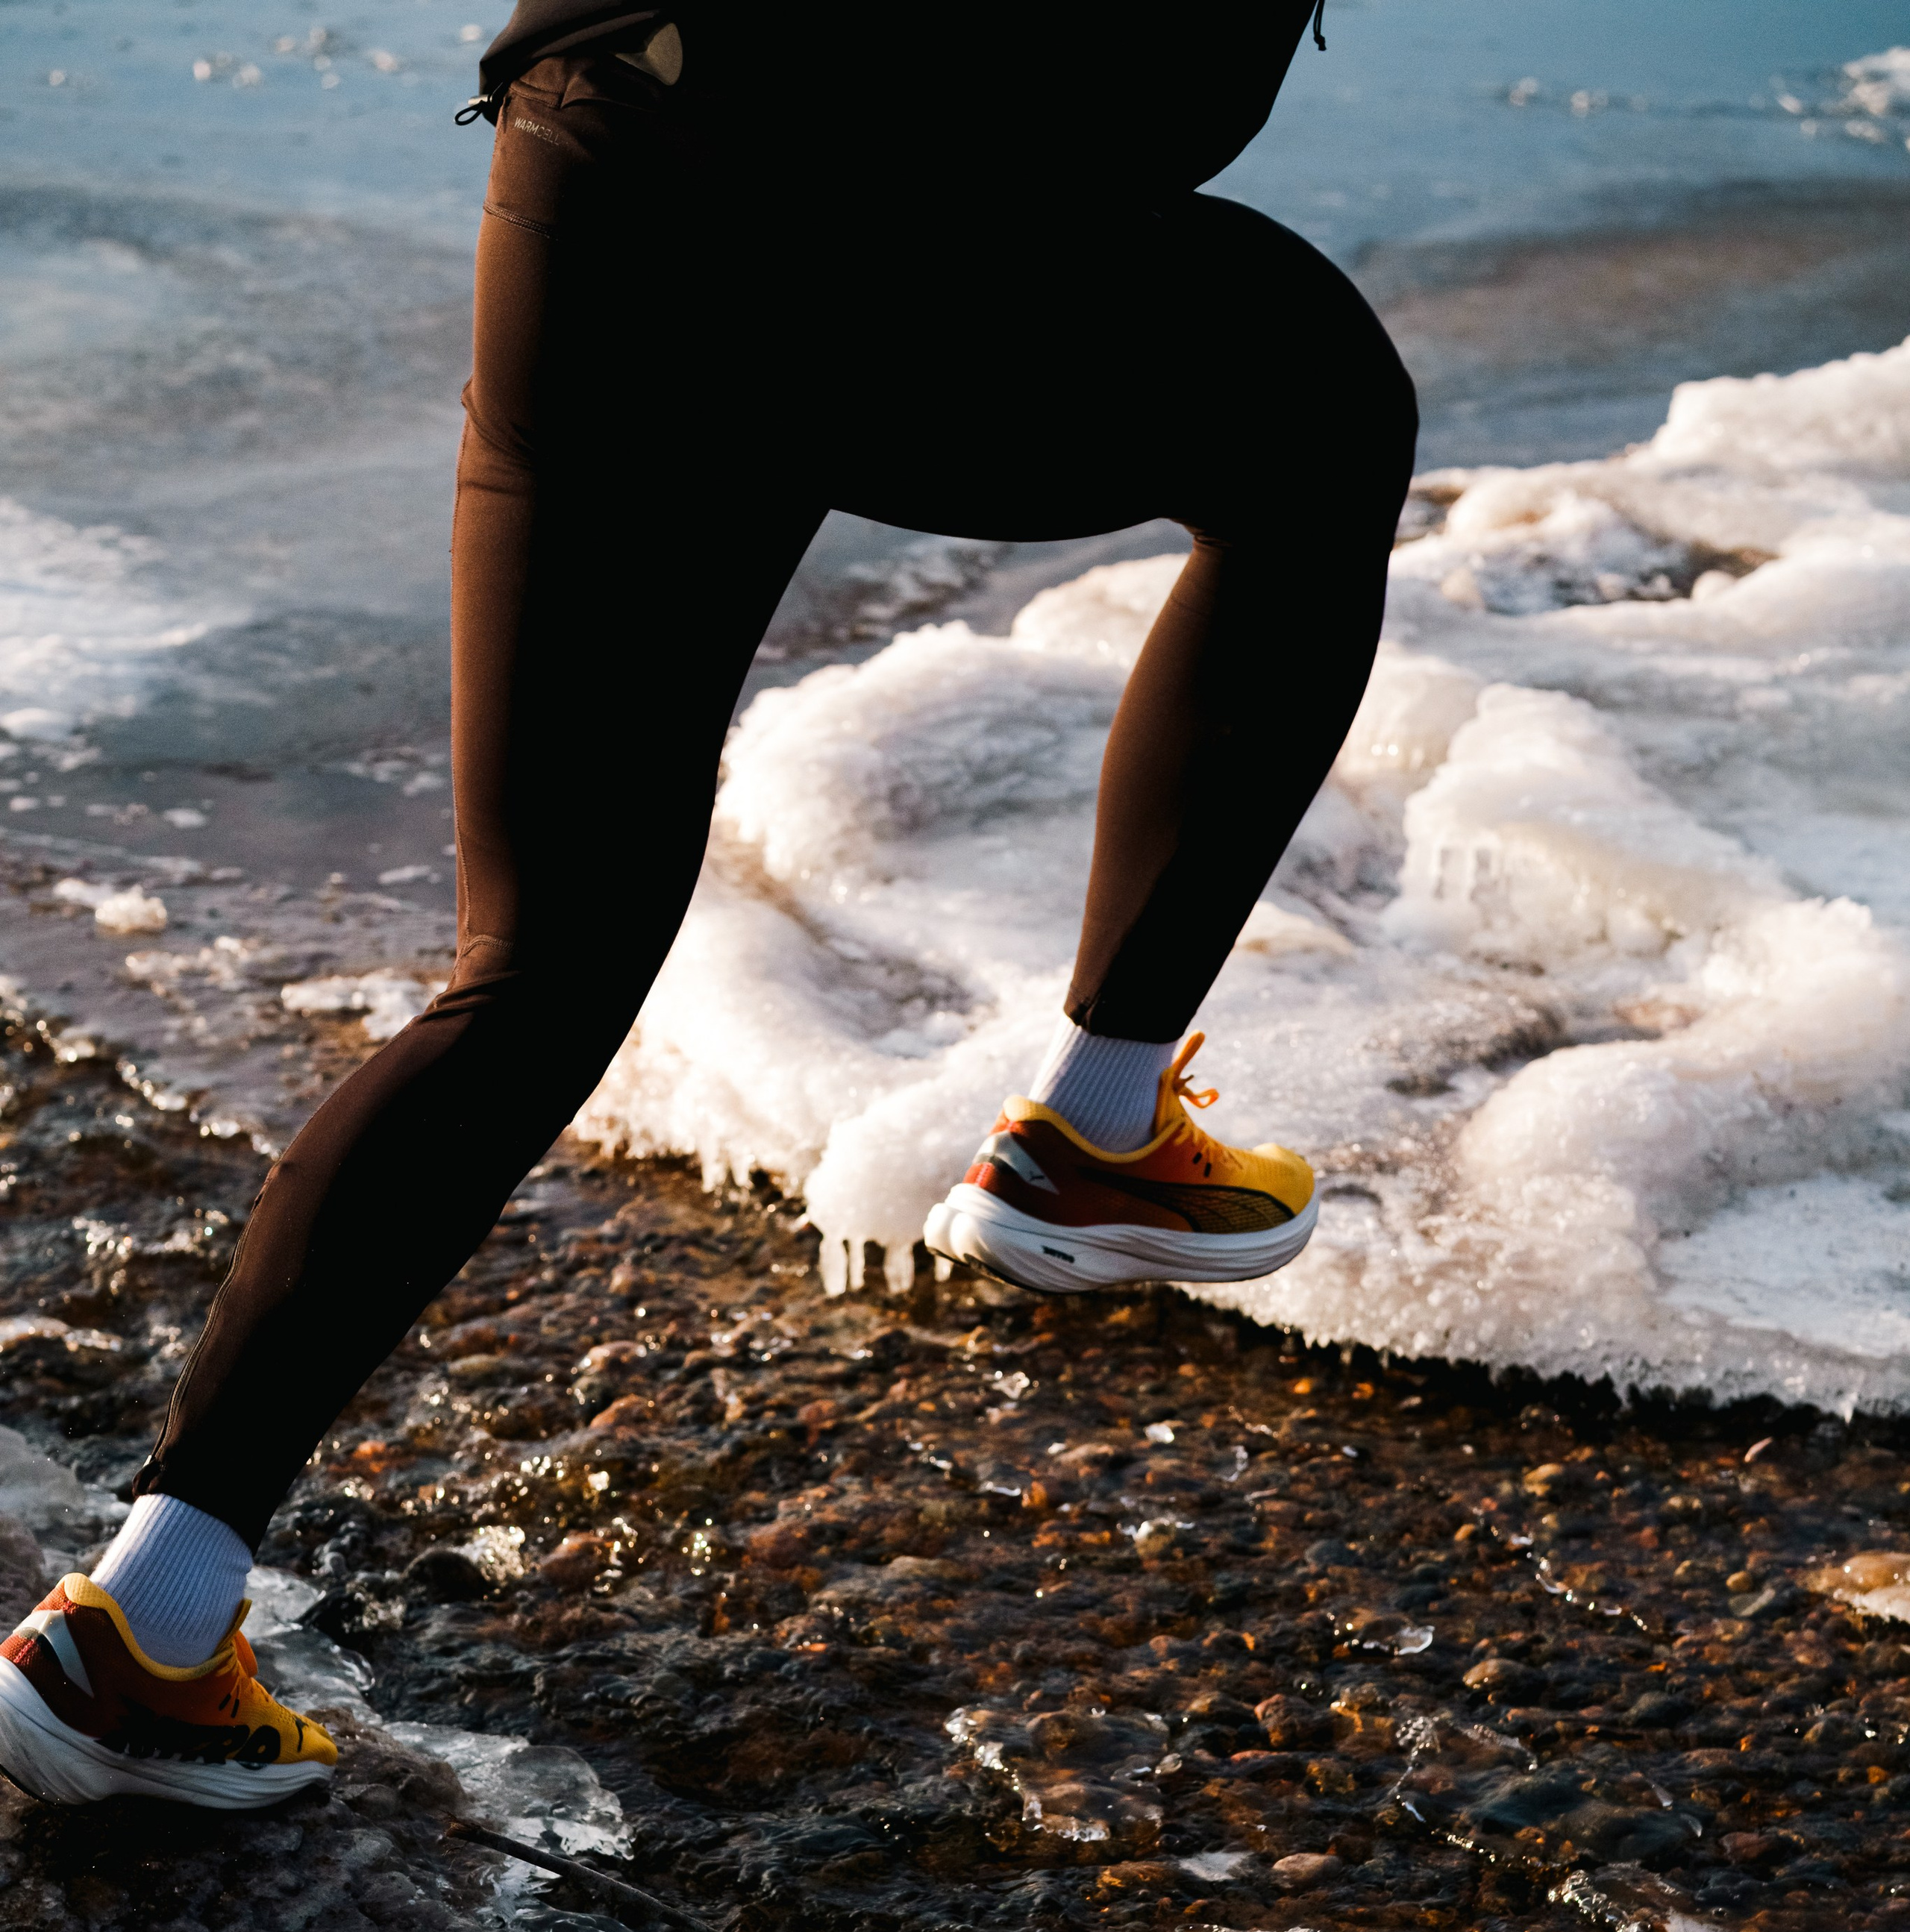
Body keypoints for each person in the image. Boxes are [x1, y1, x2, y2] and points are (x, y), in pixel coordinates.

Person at [0, 0, 1416, 1809]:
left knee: (531, 975)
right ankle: (1095, 1129)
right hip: (825, 208)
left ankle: (142, 1615)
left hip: (595, 162)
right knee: (1318, 406)